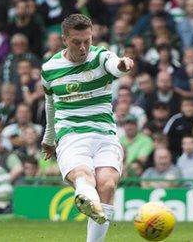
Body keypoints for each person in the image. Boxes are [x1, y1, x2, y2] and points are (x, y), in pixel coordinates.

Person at [40, 14, 134, 242]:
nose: (83, 48)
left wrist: (123, 64)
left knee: (108, 185)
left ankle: (87, 202)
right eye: (76, 42)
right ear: (64, 39)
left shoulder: (101, 56)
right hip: (71, 135)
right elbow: (50, 105)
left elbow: (116, 65)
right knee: (84, 176)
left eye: (87, 41)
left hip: (104, 134)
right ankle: (85, 195)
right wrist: (49, 137)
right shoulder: (50, 69)